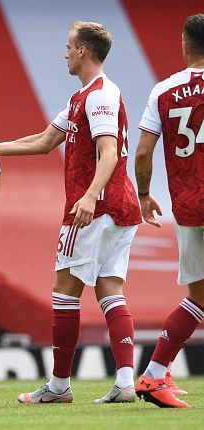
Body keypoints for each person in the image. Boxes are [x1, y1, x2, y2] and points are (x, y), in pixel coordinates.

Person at [0, 22, 142, 404]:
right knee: (111, 290)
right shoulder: (85, 97)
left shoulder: (98, 97)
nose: (64, 53)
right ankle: (126, 383)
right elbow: (45, 141)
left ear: (83, 51)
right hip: (121, 207)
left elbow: (109, 152)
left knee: (65, 294)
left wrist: (89, 196)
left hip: (93, 207)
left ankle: (60, 386)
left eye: (68, 47)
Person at [134, 14, 204, 409]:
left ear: (185, 44)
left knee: (198, 295)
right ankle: (155, 373)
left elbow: (143, 152)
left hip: (189, 204)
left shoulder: (164, 89)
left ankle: (156, 372)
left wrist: (144, 194)